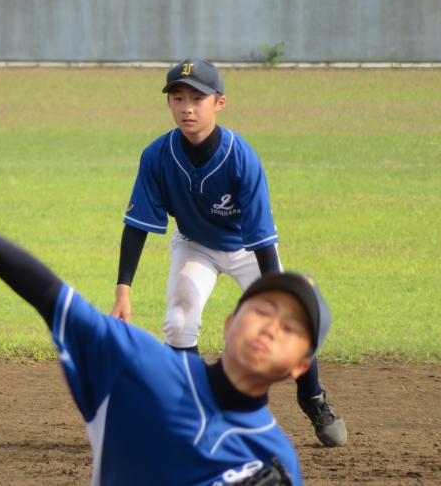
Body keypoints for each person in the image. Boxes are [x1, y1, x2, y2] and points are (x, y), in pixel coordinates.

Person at [0, 179, 333, 486]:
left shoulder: (277, 462)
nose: (271, 327)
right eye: (263, 310)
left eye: (291, 327)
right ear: (230, 323)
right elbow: (51, 295)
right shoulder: (136, 362)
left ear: (301, 365)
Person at [111, 59, 346, 447]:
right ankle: (193, 412)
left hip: (247, 249)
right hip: (194, 244)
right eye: (178, 98)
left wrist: (277, 295)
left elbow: (262, 240)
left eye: (198, 98)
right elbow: (137, 225)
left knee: (292, 322)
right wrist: (123, 289)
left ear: (219, 103)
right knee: (178, 321)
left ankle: (313, 398)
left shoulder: (241, 158)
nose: (187, 107)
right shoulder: (157, 155)